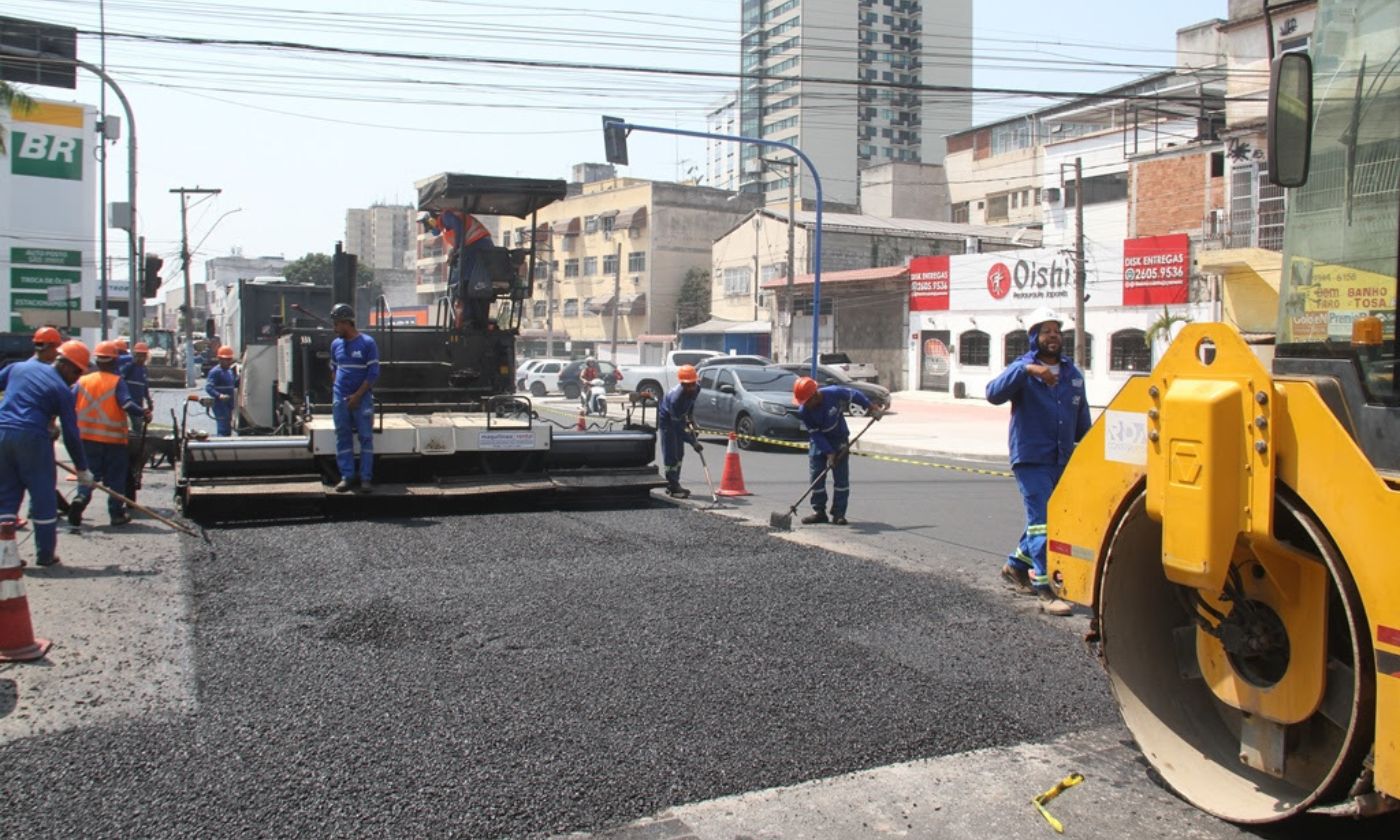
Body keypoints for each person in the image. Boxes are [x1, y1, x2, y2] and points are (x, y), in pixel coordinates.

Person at [985, 307, 1091, 617]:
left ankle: (1015, 565)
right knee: (1043, 523)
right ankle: (1045, 591)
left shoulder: (1072, 375)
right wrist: (1029, 371)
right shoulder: (1023, 368)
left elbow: (1082, 421)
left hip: (1061, 459)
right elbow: (992, 393)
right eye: (1046, 331)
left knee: (1047, 520)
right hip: (1030, 457)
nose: (1053, 336)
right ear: (1035, 338)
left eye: (1056, 331)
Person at [0, 341, 93, 564]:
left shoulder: (19, 368)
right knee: (43, 496)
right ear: (66, 366)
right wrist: (81, 468)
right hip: (32, 439)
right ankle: (45, 555)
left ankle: (5, 556)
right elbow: (71, 433)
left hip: (2, 434)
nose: (77, 379)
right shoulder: (62, 391)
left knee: (7, 496)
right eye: (77, 373)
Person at [68, 341, 149, 528]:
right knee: (116, 477)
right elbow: (127, 404)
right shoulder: (116, 381)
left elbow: (68, 403)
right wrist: (142, 412)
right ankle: (116, 514)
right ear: (114, 361)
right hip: (113, 440)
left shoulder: (83, 381)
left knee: (89, 474)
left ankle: (81, 498)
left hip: (86, 438)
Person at [793, 376, 882, 525]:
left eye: (807, 401)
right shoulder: (804, 411)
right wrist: (829, 452)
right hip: (819, 442)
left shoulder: (833, 393)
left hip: (839, 439)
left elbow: (855, 395)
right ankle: (819, 511)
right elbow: (815, 433)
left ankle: (839, 514)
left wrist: (871, 407)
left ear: (815, 395)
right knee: (816, 478)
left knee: (841, 479)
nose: (806, 405)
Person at [329, 303, 379, 494]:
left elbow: (373, 373)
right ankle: (346, 476)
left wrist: (357, 396)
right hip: (340, 399)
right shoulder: (336, 345)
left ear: (346, 323)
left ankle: (366, 478)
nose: (334, 328)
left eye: (336, 324)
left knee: (365, 437)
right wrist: (338, 391)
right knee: (343, 436)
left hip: (362, 399)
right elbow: (334, 369)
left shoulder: (367, 343)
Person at [657, 364, 702, 499]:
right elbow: (677, 427)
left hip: (680, 418)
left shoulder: (697, 389)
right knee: (671, 454)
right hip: (668, 422)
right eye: (687, 385)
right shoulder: (675, 398)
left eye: (693, 384)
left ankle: (674, 482)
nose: (691, 387)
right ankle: (672, 485)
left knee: (679, 454)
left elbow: (691, 404)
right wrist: (693, 441)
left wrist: (691, 420)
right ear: (682, 383)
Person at [122, 341, 155, 503]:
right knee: (132, 436)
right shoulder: (129, 368)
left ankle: (136, 464)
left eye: (143, 355)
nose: (141, 358)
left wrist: (149, 401)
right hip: (128, 406)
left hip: (139, 407)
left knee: (139, 434)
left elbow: (145, 387)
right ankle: (132, 461)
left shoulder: (143, 370)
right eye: (138, 355)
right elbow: (120, 384)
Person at [205, 345, 239, 437]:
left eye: (229, 359)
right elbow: (208, 387)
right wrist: (219, 395)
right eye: (225, 359)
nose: (228, 362)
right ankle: (220, 446)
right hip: (220, 404)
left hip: (229, 404)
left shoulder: (229, 371)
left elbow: (233, 383)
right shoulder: (215, 372)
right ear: (219, 359)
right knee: (223, 429)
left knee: (228, 429)